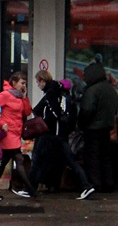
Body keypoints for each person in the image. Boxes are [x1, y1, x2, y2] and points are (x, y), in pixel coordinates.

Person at [31, 71, 95, 200]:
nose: (38, 85)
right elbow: (70, 118)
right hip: (61, 134)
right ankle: (86, 185)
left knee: (38, 159)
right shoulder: (66, 99)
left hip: (51, 133)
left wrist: (50, 120)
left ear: (43, 81)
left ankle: (30, 187)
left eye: (38, 81)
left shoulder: (51, 94)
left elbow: (44, 111)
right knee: (68, 160)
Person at [0, 71, 38, 198]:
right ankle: (30, 189)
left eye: (25, 83)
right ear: (14, 83)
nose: (24, 85)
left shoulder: (20, 97)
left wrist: (25, 97)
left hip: (16, 132)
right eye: (22, 83)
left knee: (4, 162)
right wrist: (2, 123)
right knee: (19, 158)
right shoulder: (5, 95)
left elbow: (27, 112)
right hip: (8, 133)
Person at [77, 60, 118, 193]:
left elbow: (87, 110)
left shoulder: (92, 90)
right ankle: (108, 183)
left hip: (92, 128)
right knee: (106, 157)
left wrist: (81, 124)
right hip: (107, 127)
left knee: (92, 157)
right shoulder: (110, 90)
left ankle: (95, 184)